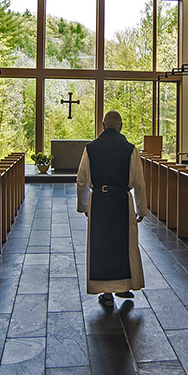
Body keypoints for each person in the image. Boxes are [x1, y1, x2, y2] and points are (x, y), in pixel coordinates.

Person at [76, 110, 147, 307]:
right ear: (121, 126)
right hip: (122, 202)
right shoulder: (130, 149)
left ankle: (107, 294)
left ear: (102, 124)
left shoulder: (90, 149)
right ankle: (124, 285)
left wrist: (84, 206)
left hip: (99, 201)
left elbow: (81, 179)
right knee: (124, 245)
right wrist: (142, 209)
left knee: (102, 247)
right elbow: (139, 182)